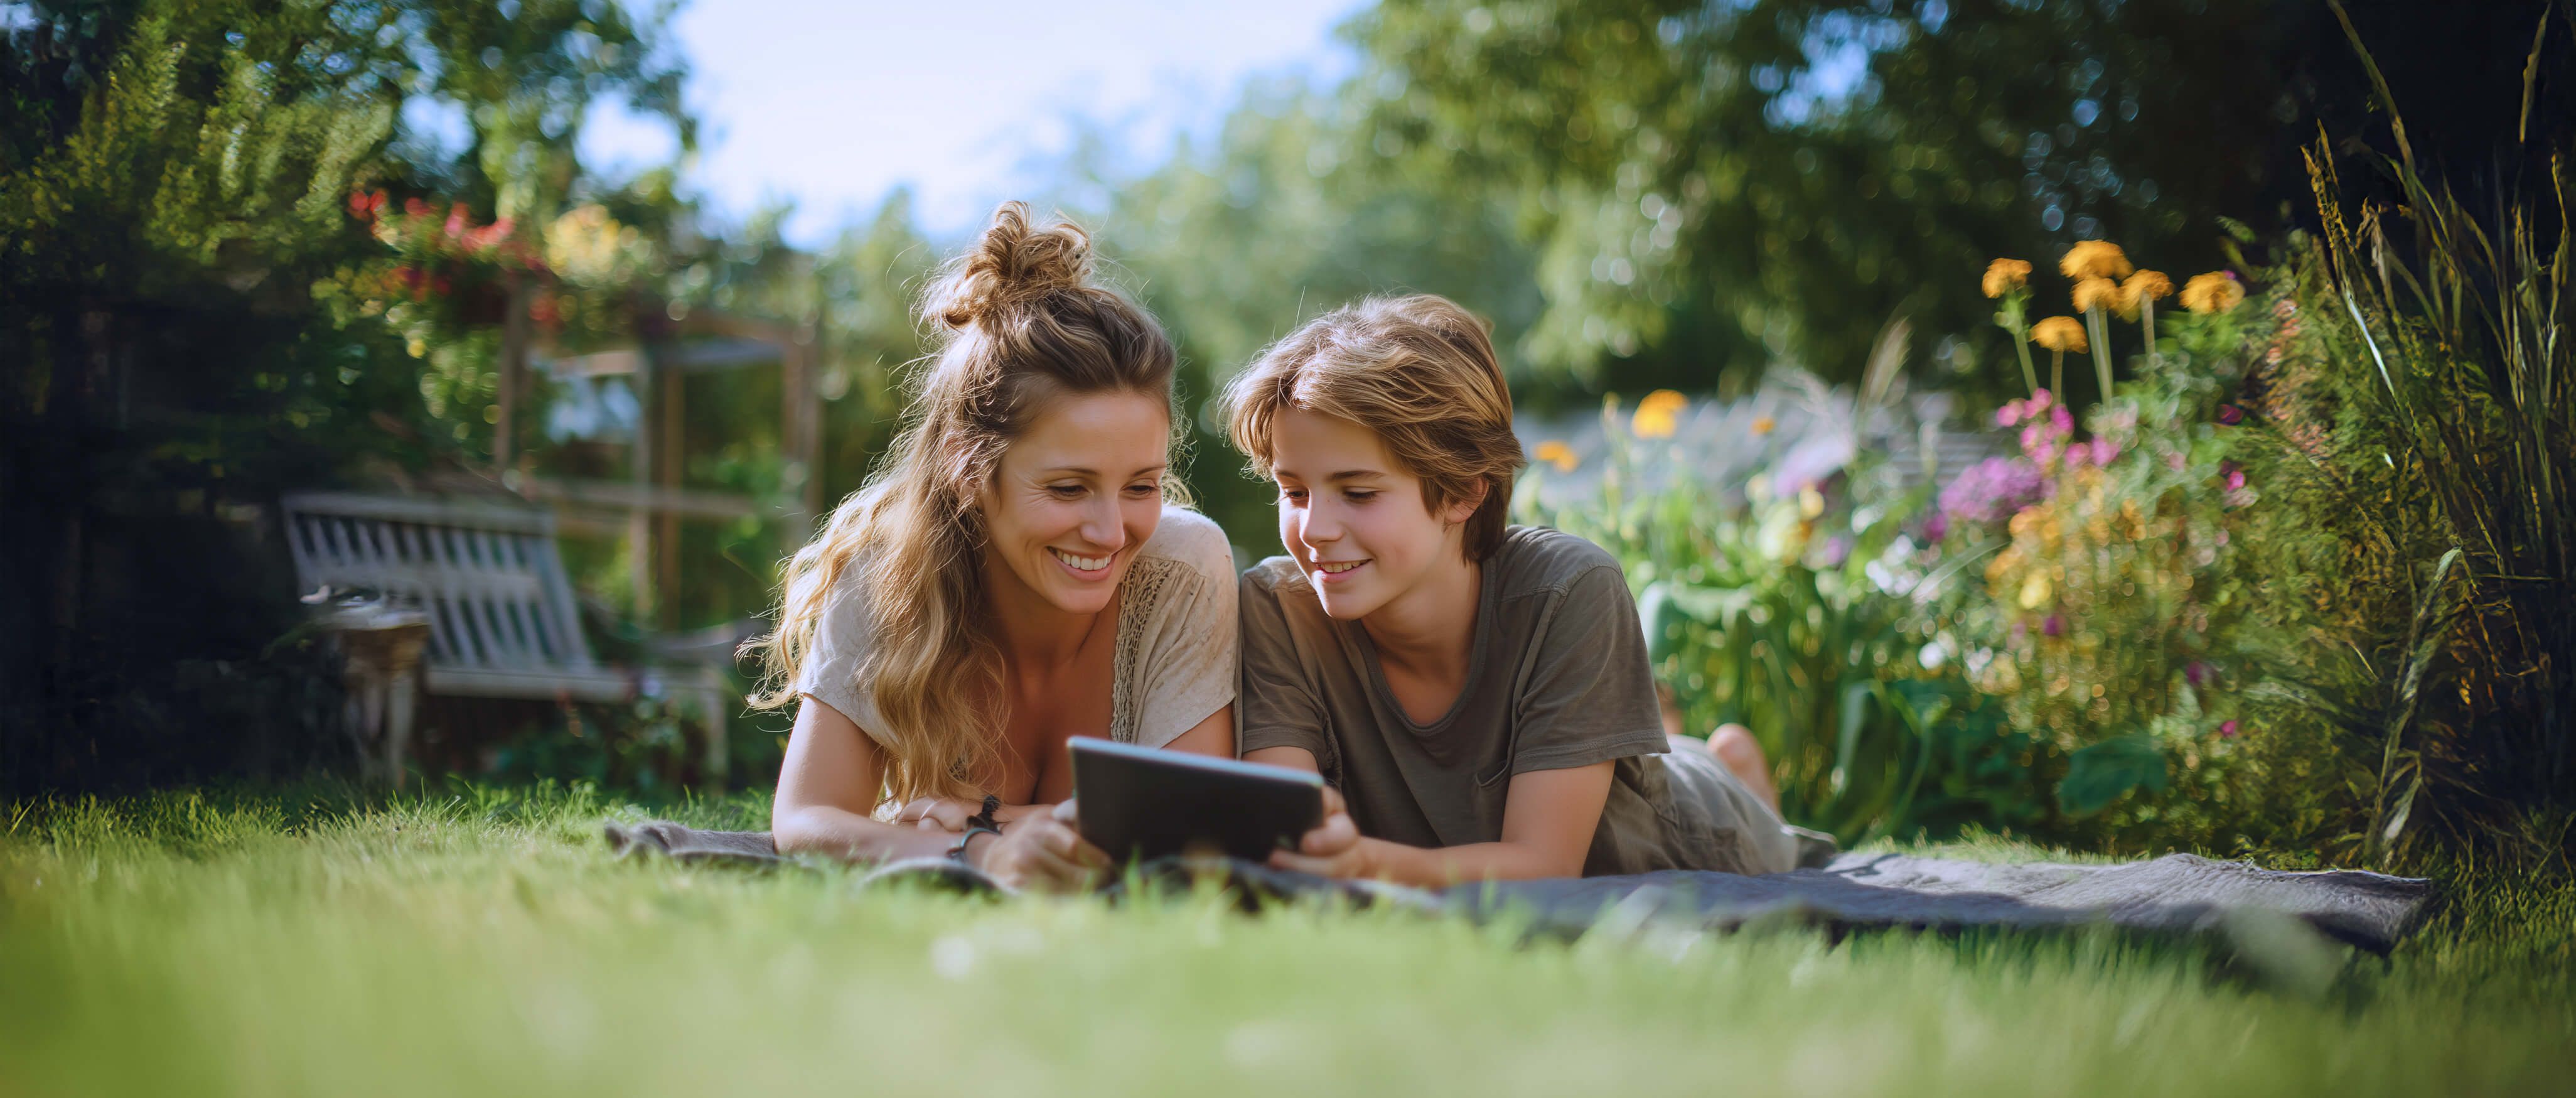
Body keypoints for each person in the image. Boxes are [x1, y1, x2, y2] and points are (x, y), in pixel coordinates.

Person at [1221, 294, 1833, 888]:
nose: (1315, 529)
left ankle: (1735, 773)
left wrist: (1358, 862)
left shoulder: (1568, 591)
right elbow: (1288, 830)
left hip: (1698, 832)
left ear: (1464, 491)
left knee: (1729, 805)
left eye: (1358, 493)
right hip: (1479, 840)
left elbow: (1544, 868)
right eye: (1294, 491)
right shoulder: (1281, 610)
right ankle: (1696, 749)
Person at [746, 202, 1238, 890]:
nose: (1110, 531)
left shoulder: (1183, 568)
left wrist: (990, 820)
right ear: (967, 467)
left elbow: (1199, 828)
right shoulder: (889, 570)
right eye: (1068, 488)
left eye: (1140, 486)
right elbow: (805, 820)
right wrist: (980, 854)